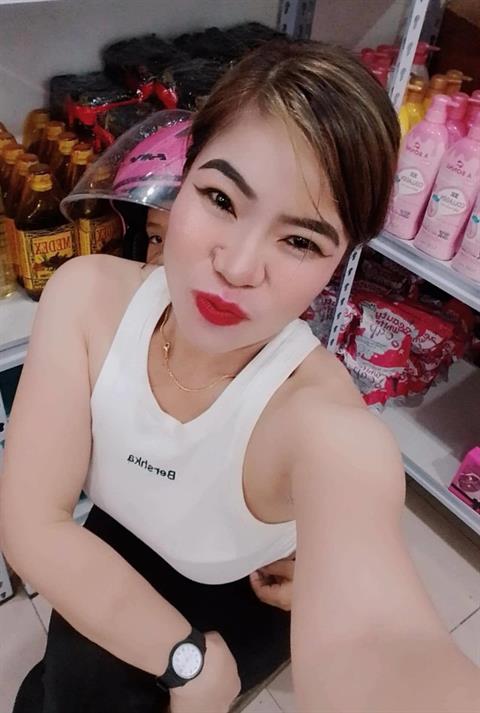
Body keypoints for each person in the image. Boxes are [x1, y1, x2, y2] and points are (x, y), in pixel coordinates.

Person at [1, 38, 479, 713]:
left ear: (339, 260)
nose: (238, 265)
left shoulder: (322, 422)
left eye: (300, 240)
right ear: (183, 178)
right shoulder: (85, 298)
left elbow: (383, 645)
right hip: (118, 550)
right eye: (222, 198)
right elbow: (31, 525)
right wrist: (186, 660)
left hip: (243, 598)